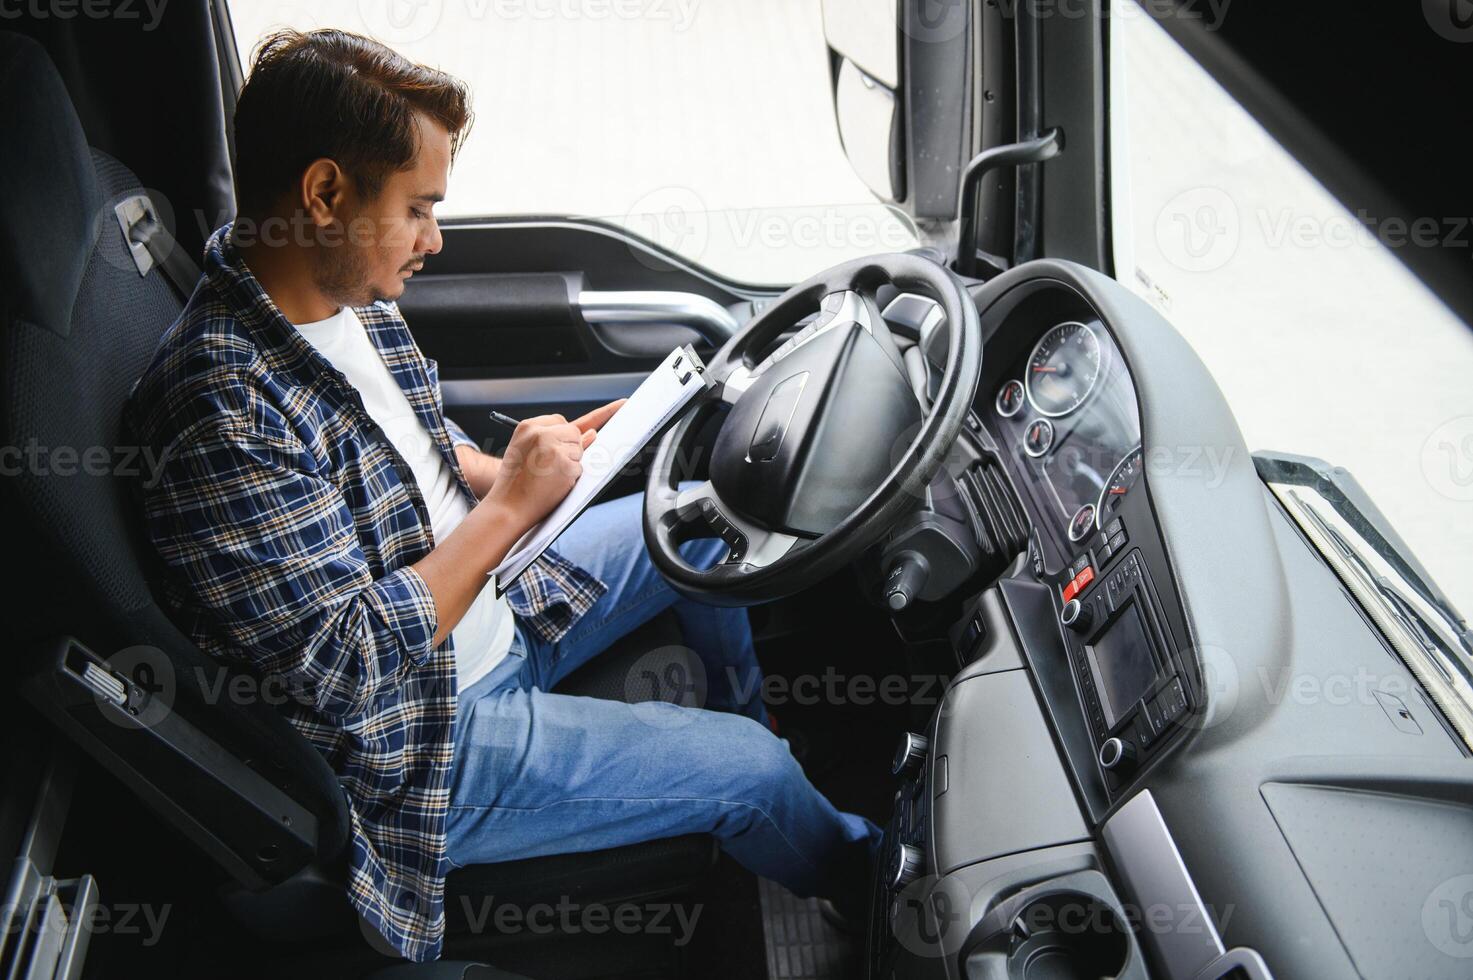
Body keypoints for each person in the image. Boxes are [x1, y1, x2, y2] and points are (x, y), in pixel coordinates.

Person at [126, 28, 879, 962]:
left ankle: (749, 743)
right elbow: (348, 666)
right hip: (425, 739)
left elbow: (391, 439)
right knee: (752, 776)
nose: (435, 240)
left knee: (703, 523)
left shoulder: (328, 297)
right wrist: (509, 510)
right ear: (324, 195)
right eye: (418, 209)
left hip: (500, 598)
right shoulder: (224, 415)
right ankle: (877, 888)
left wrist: (503, 468)